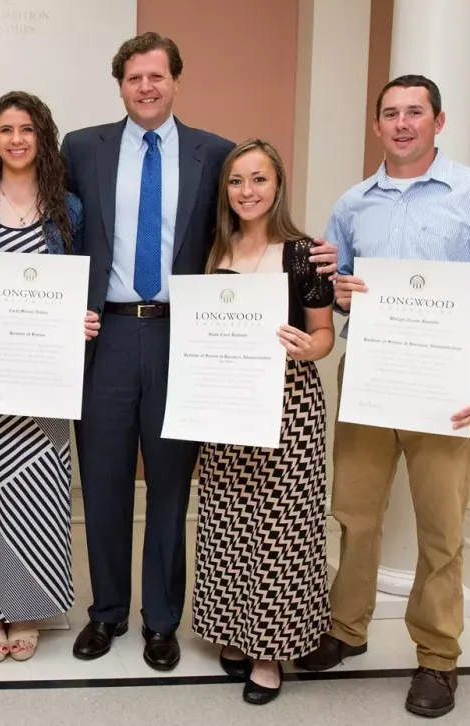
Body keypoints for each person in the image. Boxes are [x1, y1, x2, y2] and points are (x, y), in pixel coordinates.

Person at [0, 32, 336, 671]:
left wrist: (315, 258)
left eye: (157, 77)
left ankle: (160, 621)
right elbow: (30, 193)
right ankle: (107, 614)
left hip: (185, 337)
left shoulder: (214, 154)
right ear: (120, 85)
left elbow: (251, 221)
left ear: (175, 80)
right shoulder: (82, 148)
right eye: (134, 79)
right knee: (101, 483)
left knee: (170, 484)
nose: (146, 88)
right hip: (103, 334)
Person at [294, 75, 470, 719]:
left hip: (445, 386)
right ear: (377, 126)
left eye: (414, 113)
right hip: (369, 377)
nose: (402, 124)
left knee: (441, 526)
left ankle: (437, 656)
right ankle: (346, 629)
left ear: (438, 121)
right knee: (354, 513)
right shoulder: (350, 205)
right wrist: (336, 297)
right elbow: (333, 294)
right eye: (391, 114)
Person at [0, 91, 99, 662]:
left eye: (26, 130)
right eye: (5, 130)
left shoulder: (70, 209)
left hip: (44, 375)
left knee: (38, 488)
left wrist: (80, 315)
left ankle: (28, 603)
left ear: (42, 139)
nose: (15, 140)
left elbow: (78, 281)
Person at [191, 139, 334, 705]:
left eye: (259, 180)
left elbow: (323, 335)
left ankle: (270, 651)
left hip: (288, 405)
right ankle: (232, 629)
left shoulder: (304, 254)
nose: (247, 192)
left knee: (280, 530)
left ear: (277, 187)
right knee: (226, 521)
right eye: (236, 181)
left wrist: (307, 348)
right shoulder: (212, 249)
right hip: (225, 404)